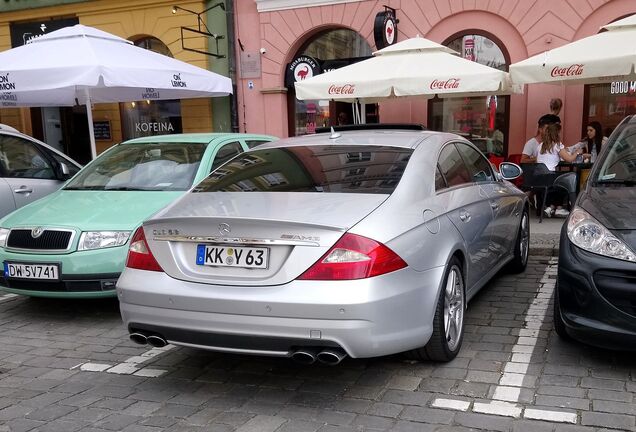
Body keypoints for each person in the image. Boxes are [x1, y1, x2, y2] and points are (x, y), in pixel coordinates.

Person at [537, 123, 589, 218]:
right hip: (550, 178)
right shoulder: (557, 145)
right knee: (569, 180)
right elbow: (569, 159)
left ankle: (551, 207)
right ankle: (560, 208)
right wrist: (578, 152)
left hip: (539, 178)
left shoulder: (540, 146)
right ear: (556, 134)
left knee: (559, 178)